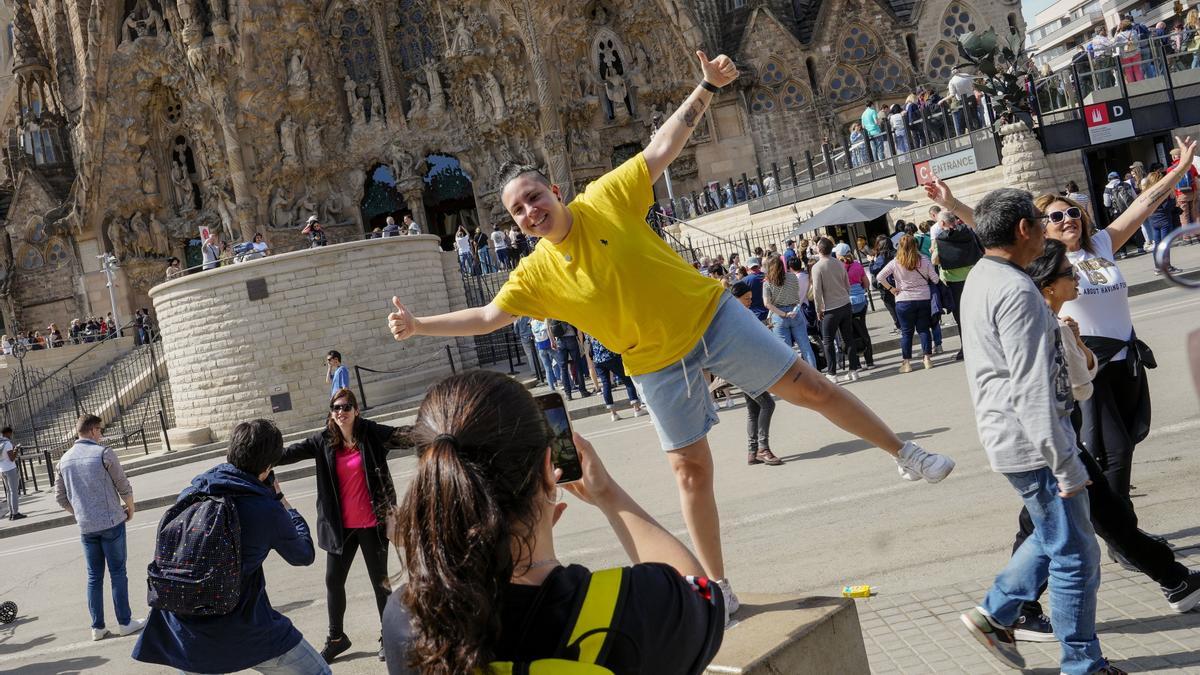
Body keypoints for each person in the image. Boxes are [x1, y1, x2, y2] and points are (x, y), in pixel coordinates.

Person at [386, 51, 954, 619]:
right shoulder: (535, 272)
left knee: (811, 387)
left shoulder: (603, 199)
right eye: (517, 211)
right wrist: (418, 327)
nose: (529, 212)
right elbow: (487, 317)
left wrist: (705, 85)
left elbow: (662, 149)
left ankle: (904, 452)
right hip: (653, 361)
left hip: (710, 318)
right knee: (691, 470)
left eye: (534, 197)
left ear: (555, 191)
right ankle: (719, 586)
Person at [381, 371, 724, 674]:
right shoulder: (634, 606)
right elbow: (704, 595)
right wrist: (609, 496)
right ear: (549, 467)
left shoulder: (407, 618)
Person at [929, 136, 1197, 519]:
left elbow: (1142, 203)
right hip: (1088, 359)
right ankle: (1124, 532)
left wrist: (1181, 169)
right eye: (1054, 217)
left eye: (1071, 212)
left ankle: (1097, 522)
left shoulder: (1101, 244)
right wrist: (952, 204)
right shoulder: (1042, 262)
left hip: (1126, 357)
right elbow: (992, 232)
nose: (1067, 219)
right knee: (1112, 449)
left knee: (1127, 442)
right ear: (1037, 229)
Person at [955, 188, 1121, 675]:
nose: (1047, 228)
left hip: (1013, 437)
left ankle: (996, 613)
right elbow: (1031, 389)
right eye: (1039, 220)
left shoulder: (984, 277)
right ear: (1024, 229)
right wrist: (1065, 461)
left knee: (1054, 536)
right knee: (1075, 554)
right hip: (1033, 444)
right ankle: (1081, 665)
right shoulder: (1017, 290)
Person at [1002, 242, 1200, 643]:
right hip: (1049, 443)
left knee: (1106, 515)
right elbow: (1072, 390)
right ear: (1048, 286)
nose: (1076, 277)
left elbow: (1080, 384)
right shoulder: (1043, 327)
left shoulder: (1055, 324)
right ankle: (1013, 610)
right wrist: (1062, 459)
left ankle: (1176, 579)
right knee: (1056, 529)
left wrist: (1078, 345)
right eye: (1067, 274)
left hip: (1058, 439)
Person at [132, 420, 330, 675]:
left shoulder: (192, 492)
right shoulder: (265, 509)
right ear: (267, 467)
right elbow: (303, 554)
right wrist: (283, 501)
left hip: (183, 629)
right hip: (244, 628)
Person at [277, 388, 410, 663]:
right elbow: (289, 454)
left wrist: (439, 431)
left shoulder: (371, 433)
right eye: (336, 407)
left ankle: (388, 635)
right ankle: (337, 638)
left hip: (372, 524)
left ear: (356, 410)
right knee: (333, 580)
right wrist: (258, 455)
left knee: (380, 582)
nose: (341, 412)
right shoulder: (323, 441)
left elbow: (402, 436)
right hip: (341, 527)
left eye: (347, 407)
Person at [55, 414, 145, 641]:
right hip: (111, 522)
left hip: (86, 526)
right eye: (100, 430)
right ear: (93, 430)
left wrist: (79, 513)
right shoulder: (103, 453)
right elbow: (123, 485)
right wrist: (130, 508)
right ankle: (125, 622)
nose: (101, 434)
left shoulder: (63, 460)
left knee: (94, 576)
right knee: (118, 573)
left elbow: (60, 497)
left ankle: (97, 627)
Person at [730, 281, 783, 466]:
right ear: (735, 299)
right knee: (767, 404)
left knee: (754, 409)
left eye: (751, 299)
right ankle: (762, 449)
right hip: (745, 369)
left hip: (741, 368)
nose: (749, 302)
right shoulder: (735, 316)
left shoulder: (738, 314)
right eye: (746, 299)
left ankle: (753, 451)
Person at [877, 235, 938, 373]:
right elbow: (935, 279)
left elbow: (880, 276)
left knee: (906, 332)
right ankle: (927, 359)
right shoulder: (923, 259)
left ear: (900, 246)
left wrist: (891, 288)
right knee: (923, 329)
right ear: (915, 245)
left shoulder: (896, 262)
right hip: (923, 298)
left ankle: (907, 363)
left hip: (903, 299)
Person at [928, 207, 981, 361]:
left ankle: (966, 348)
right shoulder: (968, 232)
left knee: (961, 317)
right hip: (973, 277)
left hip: (954, 282)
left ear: (943, 222)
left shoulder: (941, 239)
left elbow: (934, 260)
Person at [812, 238, 862, 382]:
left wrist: (818, 309)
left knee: (828, 341)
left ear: (819, 249)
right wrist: (845, 296)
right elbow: (847, 284)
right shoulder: (839, 263)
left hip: (830, 308)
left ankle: (832, 373)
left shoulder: (817, 267)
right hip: (845, 304)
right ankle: (853, 370)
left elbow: (817, 291)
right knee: (848, 338)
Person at [763, 255, 817, 368]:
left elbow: (767, 304)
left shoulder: (767, 283)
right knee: (806, 347)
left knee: (786, 351)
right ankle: (815, 376)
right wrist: (793, 310)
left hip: (779, 316)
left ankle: (794, 380)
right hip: (795, 312)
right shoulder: (792, 277)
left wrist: (784, 314)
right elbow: (797, 296)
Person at [835, 242, 875, 370]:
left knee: (849, 334)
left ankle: (856, 363)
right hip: (860, 302)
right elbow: (866, 283)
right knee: (863, 329)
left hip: (847, 303)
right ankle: (869, 360)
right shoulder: (857, 265)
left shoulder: (838, 267)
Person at [589, 335, 645, 421]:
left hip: (597, 359)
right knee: (627, 380)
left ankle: (613, 414)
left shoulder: (589, 328)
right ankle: (637, 408)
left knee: (605, 384)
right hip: (610, 356)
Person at [547, 319, 592, 399]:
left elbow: (548, 327)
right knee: (578, 366)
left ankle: (568, 394)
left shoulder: (551, 310)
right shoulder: (565, 307)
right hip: (571, 338)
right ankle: (583, 391)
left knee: (563, 368)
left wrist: (552, 341)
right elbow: (577, 326)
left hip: (559, 340)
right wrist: (581, 344)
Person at [869, 235, 901, 335]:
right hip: (899, 282)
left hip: (886, 286)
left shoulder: (882, 256)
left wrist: (871, 261)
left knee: (891, 306)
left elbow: (873, 269)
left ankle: (899, 326)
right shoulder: (897, 253)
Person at [530, 318, 560, 391]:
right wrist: (552, 342)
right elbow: (549, 331)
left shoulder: (532, 322)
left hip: (541, 347)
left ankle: (551, 388)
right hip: (549, 344)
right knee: (561, 364)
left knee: (548, 369)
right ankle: (570, 384)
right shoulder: (543, 320)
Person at [0, 426, 23, 520]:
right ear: (7, 433)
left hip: (2, 469)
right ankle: (15, 513)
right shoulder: (7, 443)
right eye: (11, 433)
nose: (11, 435)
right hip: (10, 469)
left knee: (9, 492)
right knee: (14, 491)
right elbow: (12, 458)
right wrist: (16, 449)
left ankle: (11, 513)